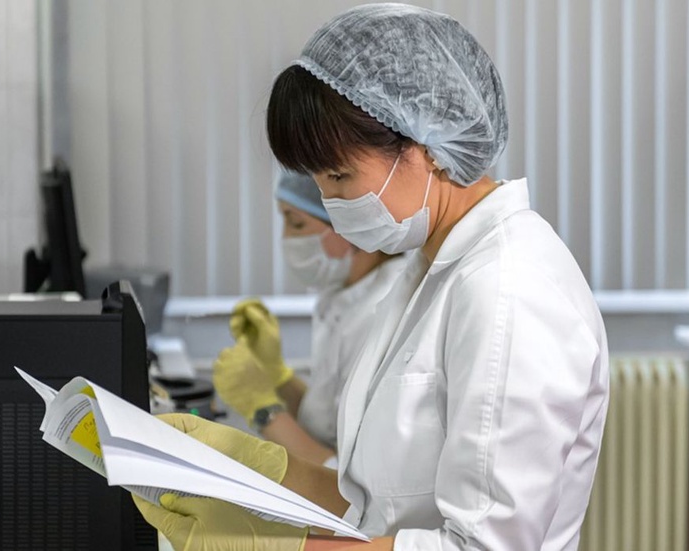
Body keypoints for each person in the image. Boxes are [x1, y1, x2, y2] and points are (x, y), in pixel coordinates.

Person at [135, 4, 610, 550]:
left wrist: (280, 548)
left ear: (428, 146)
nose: (331, 203)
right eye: (319, 182)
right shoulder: (428, 270)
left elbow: (483, 546)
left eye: (340, 175)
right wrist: (252, 467)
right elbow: (373, 506)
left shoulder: (509, 291)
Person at [213, 170, 406, 468]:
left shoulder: (386, 313)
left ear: (349, 227)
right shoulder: (340, 296)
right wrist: (277, 376)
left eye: (297, 223)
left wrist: (263, 410)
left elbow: (347, 478)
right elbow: (327, 423)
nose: (286, 238)